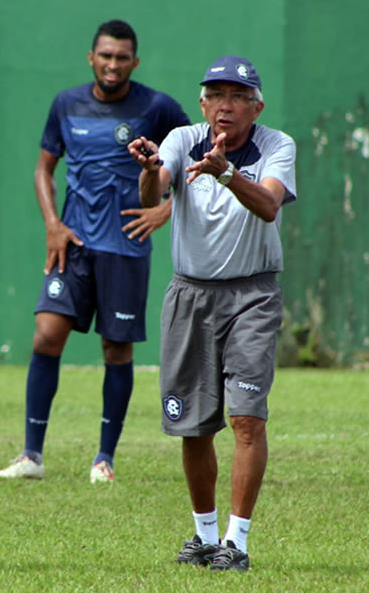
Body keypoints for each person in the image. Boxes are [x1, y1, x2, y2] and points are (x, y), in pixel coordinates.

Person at [0, 20, 191, 484]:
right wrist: (53, 225)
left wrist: (166, 210)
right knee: (45, 336)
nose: (113, 65)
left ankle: (104, 459)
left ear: (134, 63)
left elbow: (194, 158)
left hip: (126, 248)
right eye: (106, 56)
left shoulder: (157, 107)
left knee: (115, 350)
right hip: (74, 245)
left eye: (122, 57)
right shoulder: (66, 103)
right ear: (91, 58)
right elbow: (44, 167)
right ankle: (32, 456)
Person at [129, 55, 296, 571]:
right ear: (202, 103)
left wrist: (225, 174)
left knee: (247, 418)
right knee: (194, 427)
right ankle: (204, 536)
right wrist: (151, 169)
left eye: (237, 96)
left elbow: (269, 206)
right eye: (216, 95)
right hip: (190, 295)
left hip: (252, 294)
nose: (226, 106)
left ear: (256, 105)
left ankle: (237, 542)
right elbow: (155, 190)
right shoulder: (182, 139)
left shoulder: (276, 145)